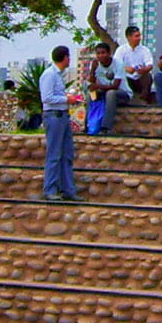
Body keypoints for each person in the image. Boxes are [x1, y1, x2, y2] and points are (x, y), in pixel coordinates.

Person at [39, 45, 78, 202]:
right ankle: (50, 189)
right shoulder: (49, 75)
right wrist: (65, 99)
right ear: (65, 57)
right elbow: (46, 98)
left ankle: (68, 189)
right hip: (54, 116)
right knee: (54, 154)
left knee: (67, 154)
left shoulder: (58, 75)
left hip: (63, 116)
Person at [87, 41, 123, 134]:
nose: (100, 56)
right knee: (90, 95)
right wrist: (92, 71)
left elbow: (115, 86)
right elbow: (91, 85)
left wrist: (97, 86)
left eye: (103, 53)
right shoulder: (95, 64)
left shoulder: (118, 64)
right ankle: (88, 125)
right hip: (104, 92)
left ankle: (106, 127)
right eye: (98, 53)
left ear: (109, 53)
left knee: (111, 93)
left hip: (121, 93)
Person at [118, 25, 156, 104]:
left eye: (139, 36)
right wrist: (126, 68)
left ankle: (143, 99)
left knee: (147, 76)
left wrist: (144, 69)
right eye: (136, 36)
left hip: (139, 79)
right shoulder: (121, 50)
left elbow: (150, 65)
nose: (139, 38)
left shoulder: (145, 50)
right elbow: (116, 65)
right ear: (129, 37)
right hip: (127, 79)